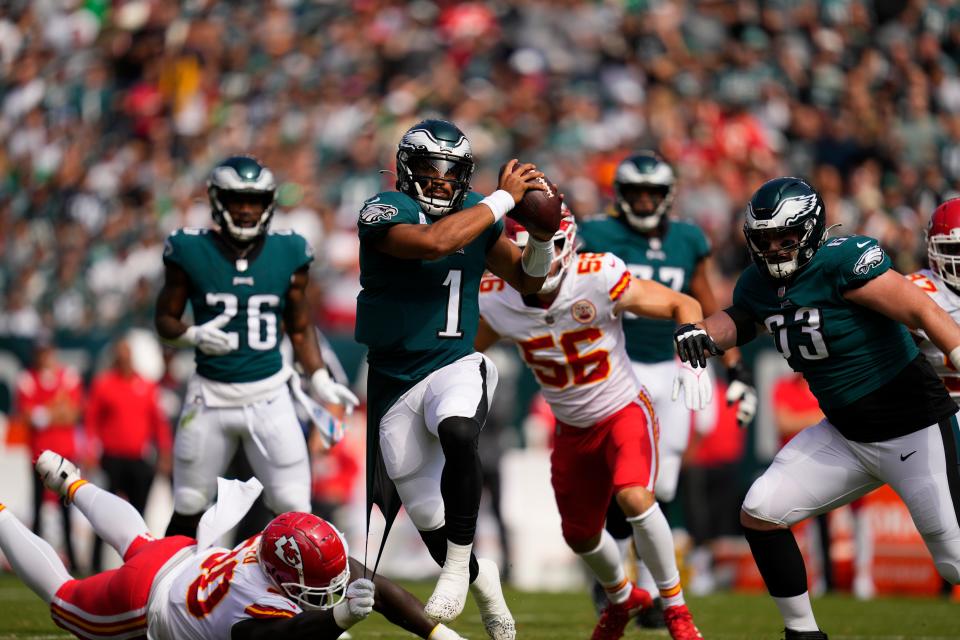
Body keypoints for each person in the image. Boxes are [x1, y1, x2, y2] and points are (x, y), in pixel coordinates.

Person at [673, 177, 960, 640]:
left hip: (914, 427)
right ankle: (803, 634)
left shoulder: (842, 261)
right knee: (761, 510)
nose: (774, 248)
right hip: (846, 435)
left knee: (955, 564)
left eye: (785, 237)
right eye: (764, 239)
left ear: (810, 229)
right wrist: (698, 334)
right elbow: (739, 320)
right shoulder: (758, 284)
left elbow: (922, 312)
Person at [356, 118, 555, 638]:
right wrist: (501, 203)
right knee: (425, 515)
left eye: (452, 171)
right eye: (430, 168)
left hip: (454, 364)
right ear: (405, 167)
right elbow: (431, 244)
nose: (442, 180)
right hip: (394, 380)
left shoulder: (478, 215)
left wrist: (540, 238)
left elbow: (531, 283)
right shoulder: (385, 209)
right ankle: (481, 581)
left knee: (460, 429)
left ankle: (456, 568)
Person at [475, 215, 704, 640]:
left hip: (622, 410)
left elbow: (683, 303)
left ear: (567, 244)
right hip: (570, 428)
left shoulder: (596, 276)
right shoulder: (495, 300)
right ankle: (622, 599)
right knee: (579, 536)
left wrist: (692, 348)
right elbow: (462, 350)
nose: (539, 261)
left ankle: (675, 608)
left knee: (635, 497)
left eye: (546, 247)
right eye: (526, 251)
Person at [0, 450, 466, 640]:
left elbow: (372, 584)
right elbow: (277, 639)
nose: (331, 592)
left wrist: (440, 635)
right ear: (285, 580)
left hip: (179, 555)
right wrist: (340, 615)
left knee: (139, 539)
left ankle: (72, 483)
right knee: (64, 603)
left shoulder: (276, 545)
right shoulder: (256, 605)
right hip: (144, 601)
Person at [578, 151, 758, 623]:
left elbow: (707, 300)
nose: (642, 200)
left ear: (667, 195)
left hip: (676, 367)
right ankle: (625, 584)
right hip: (619, 365)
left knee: (664, 482)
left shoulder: (687, 238)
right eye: (634, 191)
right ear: (619, 194)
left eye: (651, 192)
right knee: (626, 479)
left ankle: (652, 589)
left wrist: (734, 367)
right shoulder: (595, 234)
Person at [155, 155, 358, 538]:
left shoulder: (290, 251)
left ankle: (316, 599)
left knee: (296, 505)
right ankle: (163, 591)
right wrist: (191, 335)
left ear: (269, 204)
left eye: (254, 201)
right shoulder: (189, 249)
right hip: (209, 395)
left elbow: (299, 327)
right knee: (188, 503)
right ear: (217, 201)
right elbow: (164, 320)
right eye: (237, 200)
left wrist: (319, 377)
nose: (246, 210)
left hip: (269, 395)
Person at [85, 336, 173, 571]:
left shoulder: (146, 386)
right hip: (111, 458)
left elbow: (158, 423)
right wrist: (91, 451)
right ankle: (95, 565)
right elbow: (91, 420)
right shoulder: (104, 384)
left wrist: (164, 452)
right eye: (120, 354)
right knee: (102, 514)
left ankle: (138, 566)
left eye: (127, 353)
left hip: (138, 458)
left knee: (139, 516)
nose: (124, 358)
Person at [15, 337, 83, 571]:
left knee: (66, 508)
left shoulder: (67, 377)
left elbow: (72, 414)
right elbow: (28, 417)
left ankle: (71, 561)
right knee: (37, 508)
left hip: (64, 453)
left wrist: (44, 413)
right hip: (40, 454)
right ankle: (34, 561)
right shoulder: (28, 380)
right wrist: (55, 409)